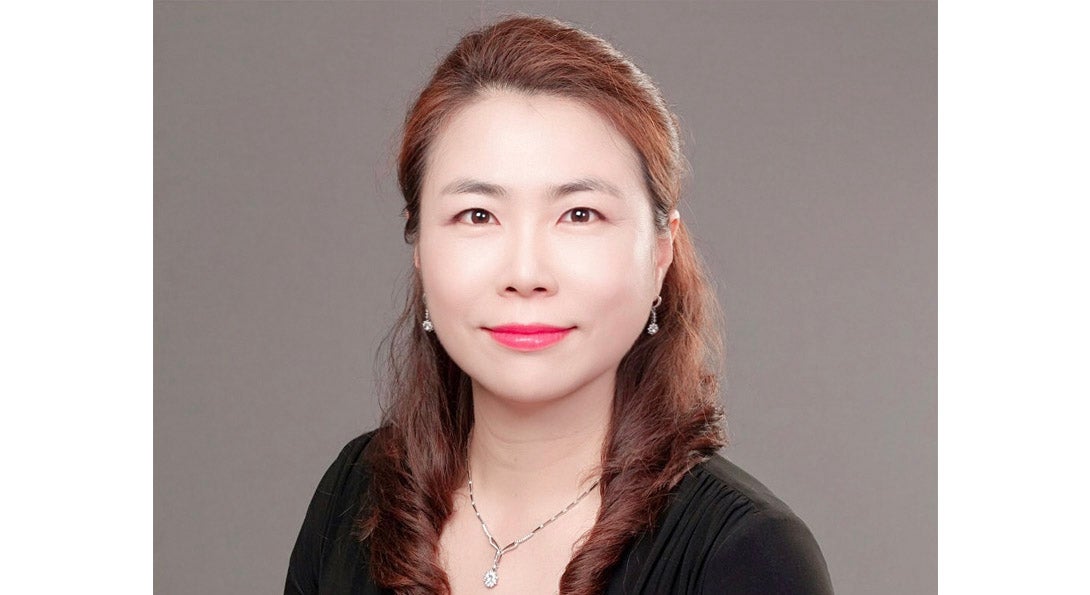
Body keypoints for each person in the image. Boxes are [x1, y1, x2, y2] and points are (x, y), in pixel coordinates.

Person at [286, 14, 833, 595]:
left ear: (661, 253)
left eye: (580, 214)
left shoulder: (747, 555)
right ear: (418, 244)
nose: (526, 274)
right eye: (478, 215)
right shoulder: (356, 494)